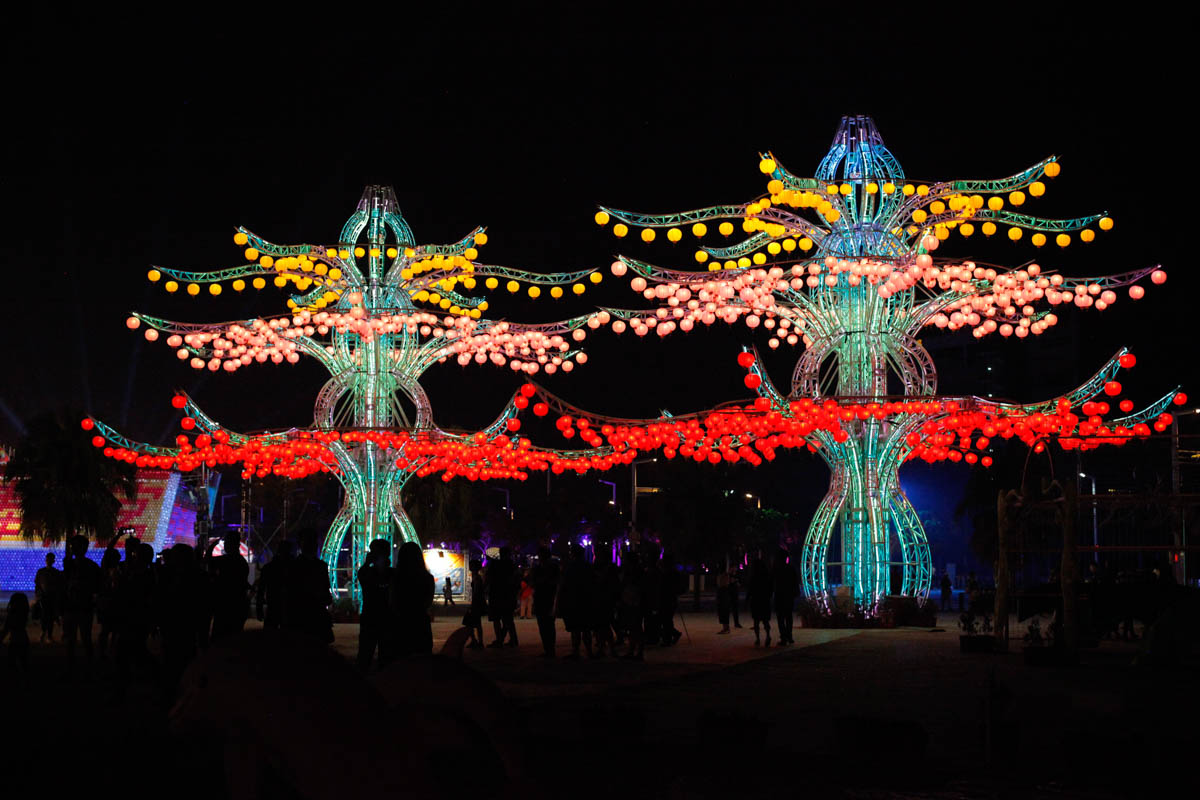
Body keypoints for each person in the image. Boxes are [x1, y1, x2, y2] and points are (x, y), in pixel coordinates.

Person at [61, 534, 102, 668]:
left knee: (84, 639)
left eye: (75, 546)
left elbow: (97, 586)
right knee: (72, 640)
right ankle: (73, 667)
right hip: (73, 606)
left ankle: (84, 668)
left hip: (82, 607)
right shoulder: (71, 564)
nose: (73, 549)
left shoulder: (89, 566)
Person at [287, 529, 333, 643]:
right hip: (303, 614)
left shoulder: (319, 566)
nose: (312, 545)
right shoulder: (295, 566)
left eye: (312, 542)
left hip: (310, 614)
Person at [357, 540, 396, 670]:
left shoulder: (392, 574)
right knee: (366, 654)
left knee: (384, 656)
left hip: (383, 619)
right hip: (373, 619)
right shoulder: (368, 572)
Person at [391, 542, 435, 657]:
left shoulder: (396, 578)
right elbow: (428, 602)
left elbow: (393, 601)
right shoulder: (427, 578)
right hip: (421, 625)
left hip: (401, 625)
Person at [209, 529, 250, 642]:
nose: (225, 546)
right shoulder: (241, 562)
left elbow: (207, 561)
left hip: (225, 605)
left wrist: (212, 545)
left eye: (226, 543)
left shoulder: (226, 560)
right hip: (239, 604)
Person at [558, 544, 595, 660]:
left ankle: (576, 651)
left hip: (575, 601)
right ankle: (589, 651)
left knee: (576, 629)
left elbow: (565, 584)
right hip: (585, 601)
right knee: (585, 628)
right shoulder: (587, 566)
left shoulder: (571, 567)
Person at [256, 540, 295, 631]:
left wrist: (259, 608)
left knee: (270, 636)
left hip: (273, 606)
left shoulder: (269, 567)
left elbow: (261, 590)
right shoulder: (295, 568)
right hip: (289, 608)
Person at [530, 547, 560, 658]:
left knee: (548, 625)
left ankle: (550, 650)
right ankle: (548, 649)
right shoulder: (539, 568)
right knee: (544, 625)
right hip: (542, 598)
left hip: (547, 598)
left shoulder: (550, 567)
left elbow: (554, 582)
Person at [487, 547, 519, 648]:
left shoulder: (496, 565)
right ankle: (511, 639)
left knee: (497, 619)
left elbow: (489, 579)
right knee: (508, 619)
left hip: (497, 595)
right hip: (508, 595)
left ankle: (501, 639)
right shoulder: (512, 566)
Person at [591, 547, 619, 658]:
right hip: (602, 599)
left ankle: (608, 648)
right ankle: (605, 648)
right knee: (601, 626)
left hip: (604, 600)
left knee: (604, 625)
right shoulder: (607, 568)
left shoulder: (608, 569)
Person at [96, 545, 123, 658]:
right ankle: (105, 652)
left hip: (111, 603)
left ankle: (108, 651)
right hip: (108, 603)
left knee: (110, 630)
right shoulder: (106, 571)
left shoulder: (118, 571)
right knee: (108, 629)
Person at [617, 553, 645, 661]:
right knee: (633, 627)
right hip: (630, 601)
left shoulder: (635, 572)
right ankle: (633, 651)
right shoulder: (635, 571)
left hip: (634, 601)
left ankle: (637, 652)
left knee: (635, 627)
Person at [771, 548, 798, 646]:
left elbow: (772, 583)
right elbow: (795, 582)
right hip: (788, 596)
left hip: (780, 595)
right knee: (788, 616)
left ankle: (783, 637)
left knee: (781, 617)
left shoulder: (776, 569)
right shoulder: (790, 568)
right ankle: (789, 636)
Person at [34, 552, 62, 643]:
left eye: (50, 559)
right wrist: (38, 595)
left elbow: (58, 586)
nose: (48, 561)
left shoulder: (55, 573)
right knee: (45, 616)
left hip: (52, 598)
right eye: (48, 559)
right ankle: (45, 634)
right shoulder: (42, 572)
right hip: (44, 597)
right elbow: (37, 585)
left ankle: (48, 634)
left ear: (53, 561)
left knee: (49, 617)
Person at [1, 592, 30, 671]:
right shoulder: (24, 614)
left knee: (12, 663)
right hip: (24, 640)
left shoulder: (12, 615)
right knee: (24, 663)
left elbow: (6, 629)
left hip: (14, 641)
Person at [747, 557, 773, 646]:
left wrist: (747, 600)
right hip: (764, 600)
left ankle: (758, 639)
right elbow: (770, 588)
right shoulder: (766, 576)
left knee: (756, 621)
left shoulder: (753, 577)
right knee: (765, 620)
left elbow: (750, 590)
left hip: (756, 600)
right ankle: (768, 636)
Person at [658, 553, 682, 645]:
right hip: (669, 599)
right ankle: (670, 636)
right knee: (666, 620)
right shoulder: (670, 572)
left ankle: (668, 638)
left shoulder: (670, 572)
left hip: (668, 599)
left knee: (666, 620)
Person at [464, 558, 486, 649]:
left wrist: (473, 604)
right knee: (475, 623)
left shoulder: (477, 578)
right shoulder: (476, 577)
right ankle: (477, 641)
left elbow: (477, 592)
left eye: (471, 565)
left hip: (477, 603)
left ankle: (477, 641)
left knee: (470, 622)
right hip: (478, 602)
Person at [715, 567, 732, 634]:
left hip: (724, 595)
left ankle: (726, 628)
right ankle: (725, 628)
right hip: (722, 594)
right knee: (722, 613)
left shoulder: (725, 576)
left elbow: (723, 583)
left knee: (724, 612)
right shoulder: (723, 576)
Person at [728, 565, 743, 629]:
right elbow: (730, 582)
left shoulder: (736, 575)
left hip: (735, 594)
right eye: (733, 568)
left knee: (735, 609)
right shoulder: (729, 575)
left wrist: (737, 583)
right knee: (729, 609)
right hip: (730, 594)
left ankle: (736, 623)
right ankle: (726, 624)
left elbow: (739, 584)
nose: (735, 569)